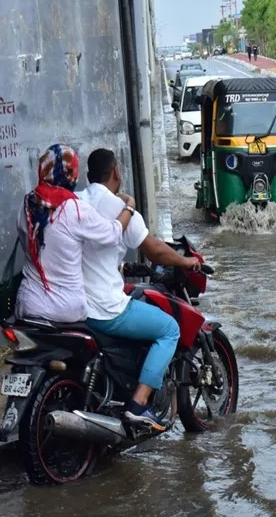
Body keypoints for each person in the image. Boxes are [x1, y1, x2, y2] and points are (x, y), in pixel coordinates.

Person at [77, 149, 199, 431]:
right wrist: (185, 261)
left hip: (73, 305)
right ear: (117, 172)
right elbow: (155, 250)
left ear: (88, 176)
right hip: (104, 308)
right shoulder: (118, 207)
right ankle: (138, 405)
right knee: (169, 329)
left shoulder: (77, 202)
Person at [14, 144, 134, 323]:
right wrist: (130, 206)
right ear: (70, 175)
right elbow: (114, 233)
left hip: (28, 304)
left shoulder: (26, 206)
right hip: (65, 309)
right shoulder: (74, 209)